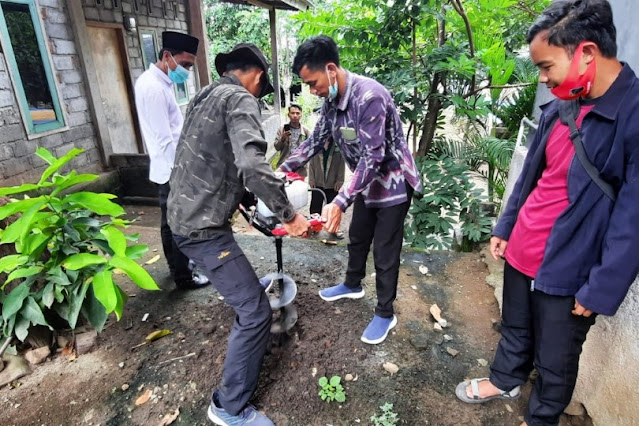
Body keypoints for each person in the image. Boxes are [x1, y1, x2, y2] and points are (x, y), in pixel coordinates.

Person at [455, 1, 639, 425]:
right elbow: (530, 177)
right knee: (515, 327)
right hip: (524, 245)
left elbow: (632, 219)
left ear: (587, 53)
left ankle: (541, 417)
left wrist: (600, 289)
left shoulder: (630, 115)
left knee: (557, 356)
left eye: (546, 66)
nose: (542, 78)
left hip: (572, 266)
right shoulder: (562, 104)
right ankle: (505, 379)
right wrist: (506, 225)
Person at [167, 43, 310, 426]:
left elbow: (213, 157)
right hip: (202, 230)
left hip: (180, 215)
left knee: (247, 293)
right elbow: (251, 163)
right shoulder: (241, 99)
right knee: (255, 311)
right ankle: (229, 408)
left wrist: (242, 200)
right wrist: (289, 215)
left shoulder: (204, 95)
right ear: (258, 77)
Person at [279, 35, 422, 345]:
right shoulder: (330, 102)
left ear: (331, 69)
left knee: (385, 250)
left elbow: (374, 157)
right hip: (365, 184)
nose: (311, 90)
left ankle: (385, 312)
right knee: (357, 235)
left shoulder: (369, 96)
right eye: (307, 85)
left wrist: (341, 200)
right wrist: (282, 169)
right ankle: (352, 284)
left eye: (312, 82)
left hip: (393, 184)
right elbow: (315, 141)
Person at [134, 31, 208, 290]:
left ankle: (178, 268)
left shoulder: (160, 83)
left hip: (169, 167)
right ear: (167, 56)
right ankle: (183, 276)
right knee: (179, 225)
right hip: (171, 169)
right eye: (185, 64)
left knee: (171, 223)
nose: (186, 71)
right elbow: (164, 140)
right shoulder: (153, 88)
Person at [307, 137, 345, 239]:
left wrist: (340, 181)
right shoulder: (316, 145)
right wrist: (311, 179)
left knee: (333, 205)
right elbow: (311, 164)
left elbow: (342, 164)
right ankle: (314, 226)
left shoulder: (337, 146)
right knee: (315, 204)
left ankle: (334, 228)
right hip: (318, 180)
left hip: (332, 182)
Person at [273, 104, 311, 176]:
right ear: (288, 115)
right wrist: (283, 138)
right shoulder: (282, 129)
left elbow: (310, 149)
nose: (295, 116)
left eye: (297, 113)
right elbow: (276, 147)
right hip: (284, 165)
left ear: (301, 115)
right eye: (292, 113)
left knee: (299, 186)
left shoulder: (306, 131)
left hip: (300, 167)